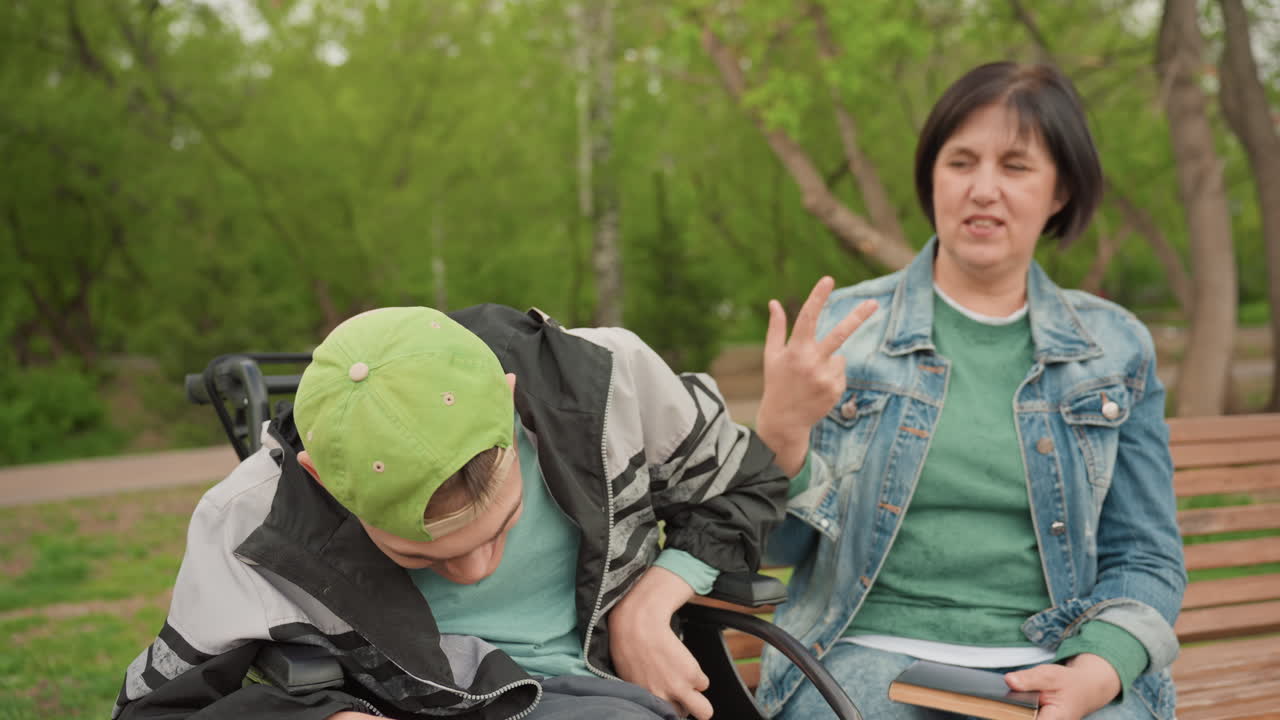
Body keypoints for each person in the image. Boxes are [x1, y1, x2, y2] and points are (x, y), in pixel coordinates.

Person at [750, 62, 1186, 720]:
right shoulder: (843, 334)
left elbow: (1146, 554)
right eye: (961, 162)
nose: (984, 189)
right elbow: (772, 553)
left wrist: (1099, 671)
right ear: (933, 177)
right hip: (863, 655)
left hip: (1057, 663)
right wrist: (779, 435)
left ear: (1060, 190)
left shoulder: (1115, 348)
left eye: (1015, 166)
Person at [113, 304, 790, 720]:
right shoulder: (252, 516)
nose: (472, 570)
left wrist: (649, 602)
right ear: (322, 480)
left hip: (609, 694)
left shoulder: (601, 381)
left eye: (503, 526)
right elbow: (158, 710)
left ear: (509, 399)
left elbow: (746, 481)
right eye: (421, 557)